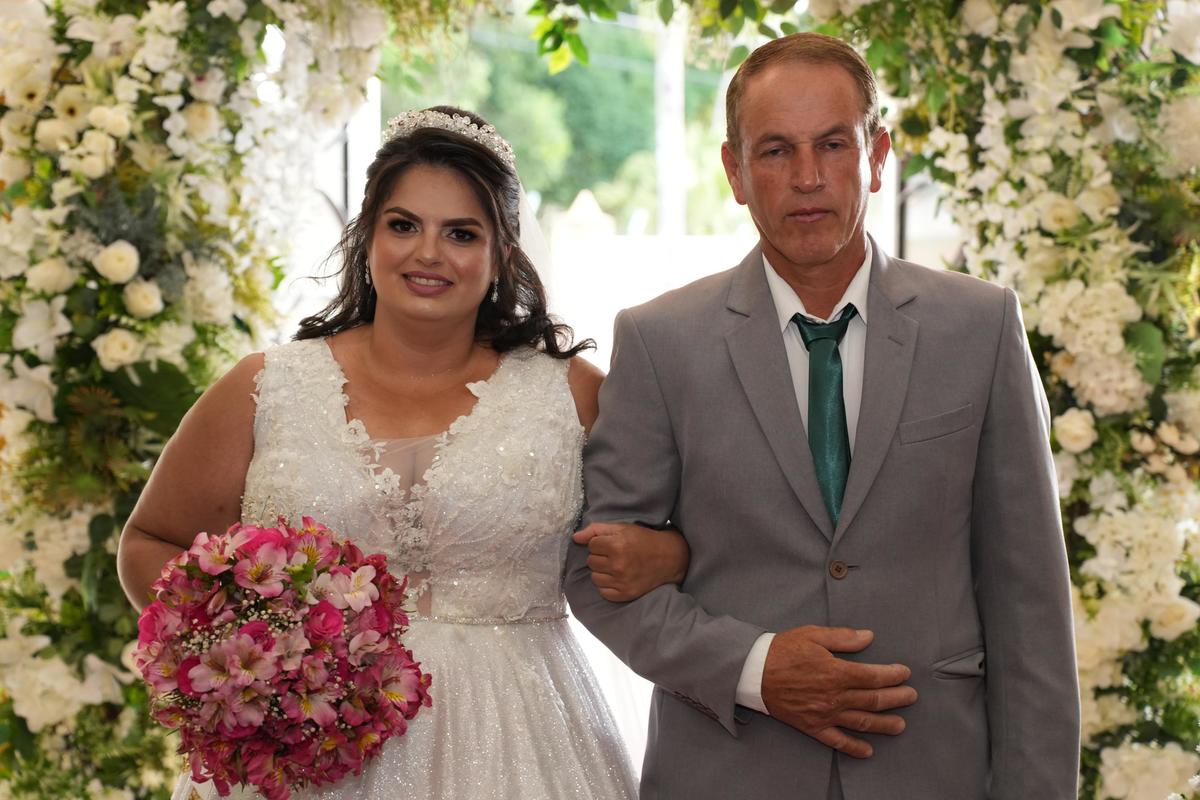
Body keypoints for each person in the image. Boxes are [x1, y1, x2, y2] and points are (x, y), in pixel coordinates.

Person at [117, 106, 688, 799]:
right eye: (403, 225)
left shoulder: (572, 396)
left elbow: (676, 534)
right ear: (367, 236)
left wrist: (672, 553)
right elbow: (151, 541)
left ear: (503, 254)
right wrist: (249, 653)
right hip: (308, 746)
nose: (428, 254)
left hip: (519, 745)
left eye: (461, 233)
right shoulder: (265, 388)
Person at [566, 32, 1080, 799]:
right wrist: (753, 670)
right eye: (775, 151)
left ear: (877, 155)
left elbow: (1030, 605)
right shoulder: (659, 340)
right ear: (735, 172)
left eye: (833, 145)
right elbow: (596, 573)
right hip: (726, 776)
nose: (807, 177)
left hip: (935, 772)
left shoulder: (981, 327)